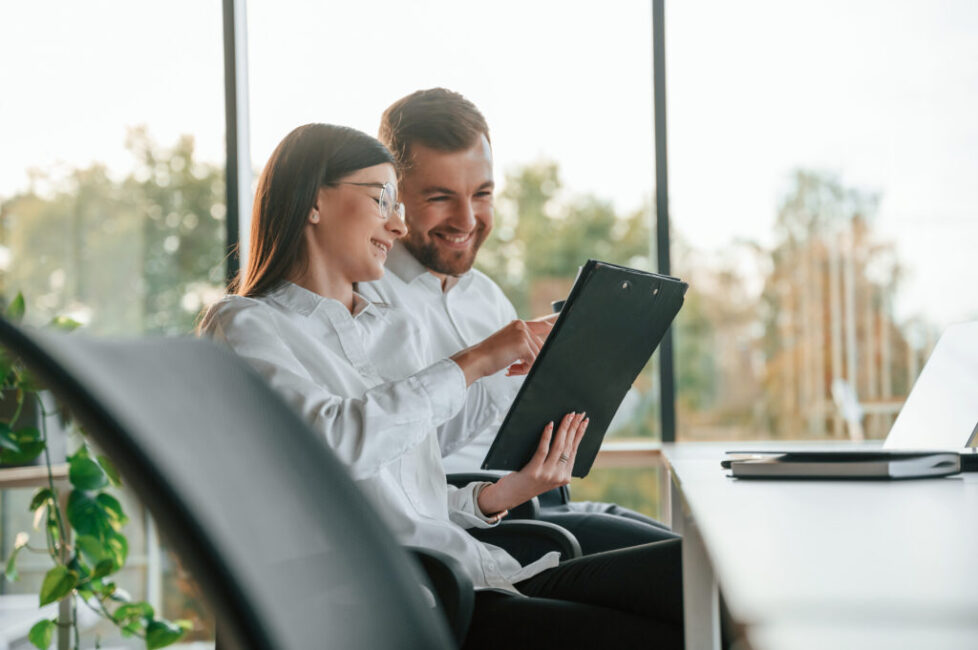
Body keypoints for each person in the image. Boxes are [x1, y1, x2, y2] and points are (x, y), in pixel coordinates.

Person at [199, 123, 683, 648]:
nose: (398, 226)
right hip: (412, 605)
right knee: (669, 631)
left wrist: (502, 494)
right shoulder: (246, 325)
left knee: (699, 573)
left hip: (480, 575)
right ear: (314, 201)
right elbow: (333, 450)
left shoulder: (393, 328)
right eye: (385, 199)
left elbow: (412, 496)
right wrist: (476, 359)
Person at [360, 88, 679, 555]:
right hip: (473, 519)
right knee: (685, 572)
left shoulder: (484, 295)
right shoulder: (368, 297)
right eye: (440, 197)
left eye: (482, 194)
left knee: (696, 556)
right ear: (393, 196)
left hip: (541, 498)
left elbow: (519, 415)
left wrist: (574, 367)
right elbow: (397, 447)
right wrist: (493, 363)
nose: (467, 219)